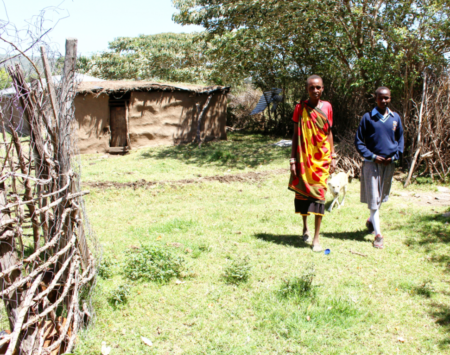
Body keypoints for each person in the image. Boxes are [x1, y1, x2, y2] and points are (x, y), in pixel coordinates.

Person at [288, 75, 336, 252]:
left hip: (321, 159)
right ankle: (305, 227)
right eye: (311, 88)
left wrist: (333, 155)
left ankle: (316, 238)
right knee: (303, 193)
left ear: (323, 88)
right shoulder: (300, 108)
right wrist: (293, 159)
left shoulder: (328, 107)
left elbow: (329, 132)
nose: (315, 90)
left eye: (318, 87)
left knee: (320, 196)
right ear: (307, 89)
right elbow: (295, 134)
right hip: (303, 158)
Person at [355, 86, 404, 249]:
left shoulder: (395, 117)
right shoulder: (368, 118)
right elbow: (359, 142)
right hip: (372, 164)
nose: (384, 100)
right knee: (374, 198)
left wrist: (395, 155)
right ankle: (378, 235)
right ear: (375, 98)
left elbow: (400, 139)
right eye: (381, 98)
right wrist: (373, 156)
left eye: (387, 98)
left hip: (388, 164)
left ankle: (371, 221)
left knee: (381, 196)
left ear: (390, 98)